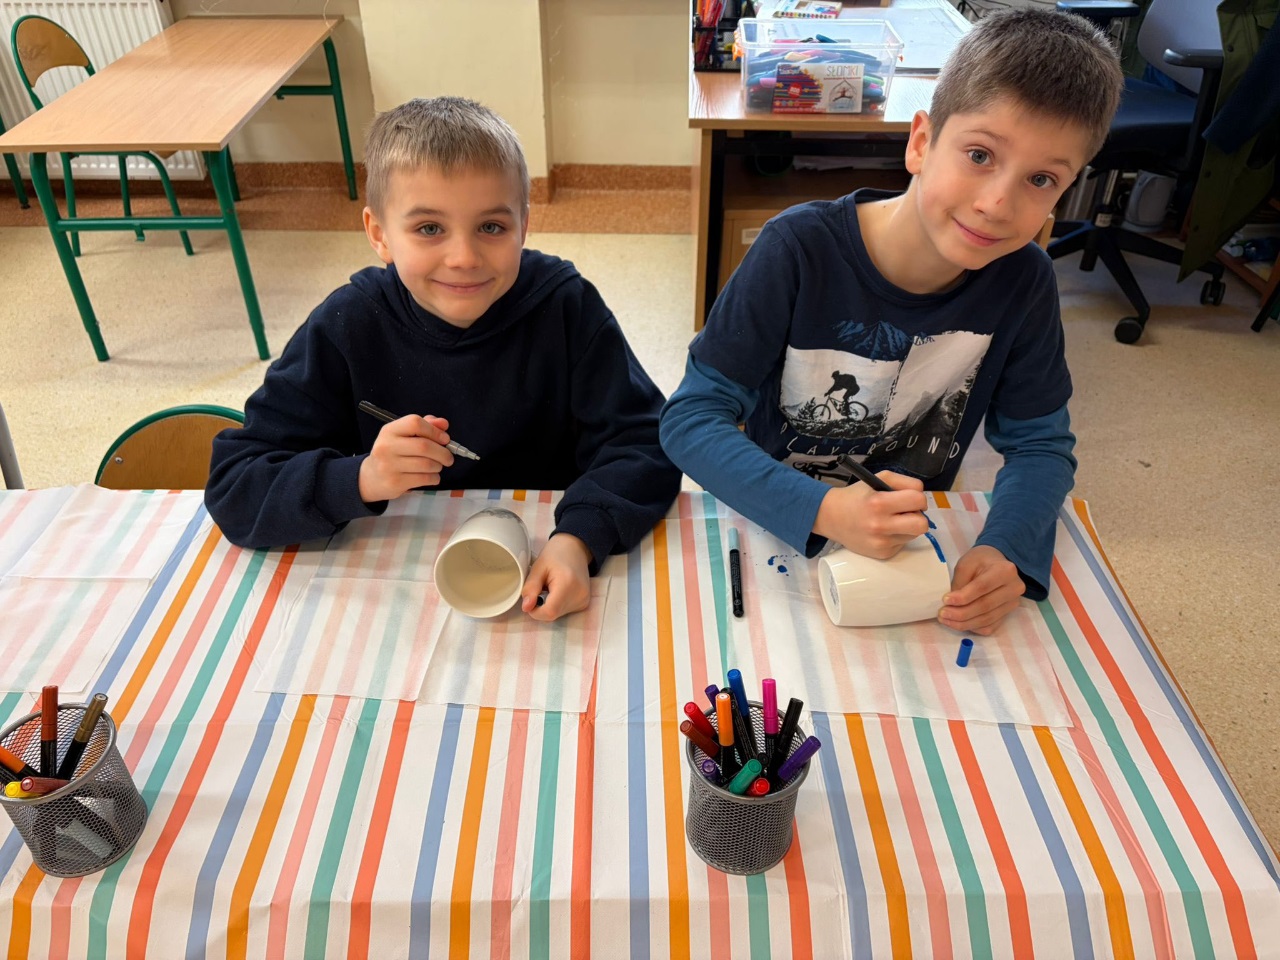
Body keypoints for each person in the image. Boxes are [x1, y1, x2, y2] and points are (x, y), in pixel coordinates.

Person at [660, 9, 1124, 635]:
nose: (997, 204)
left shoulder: (1026, 281)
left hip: (907, 554)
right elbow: (690, 419)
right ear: (921, 143)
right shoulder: (797, 249)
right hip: (778, 526)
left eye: (1041, 179)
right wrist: (824, 508)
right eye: (980, 155)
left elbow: (1041, 446)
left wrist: (1007, 548)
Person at [206, 97, 681, 621]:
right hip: (388, 595)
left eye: (492, 227)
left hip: (544, 568)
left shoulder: (567, 307)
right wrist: (362, 477)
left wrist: (580, 538)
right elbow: (235, 486)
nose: (463, 258)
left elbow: (646, 443)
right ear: (379, 234)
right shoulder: (347, 324)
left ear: (524, 226)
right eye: (429, 228)